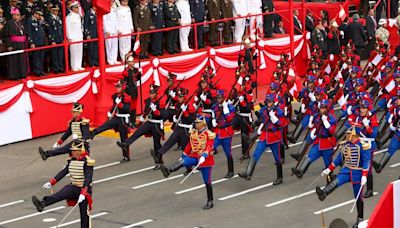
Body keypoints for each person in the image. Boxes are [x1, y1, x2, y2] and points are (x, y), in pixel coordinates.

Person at [316, 126, 371, 228]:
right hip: (347, 170)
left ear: (354, 134)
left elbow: (367, 161)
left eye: (348, 134)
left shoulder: (363, 146)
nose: (346, 135)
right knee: (336, 181)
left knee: (357, 197)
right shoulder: (346, 145)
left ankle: (360, 219)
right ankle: (324, 193)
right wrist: (329, 169)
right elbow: (338, 159)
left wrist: (364, 175)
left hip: (358, 173)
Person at [32, 140, 94, 228]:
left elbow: (88, 178)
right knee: (60, 194)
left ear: (79, 151)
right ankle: (42, 204)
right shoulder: (71, 161)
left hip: (84, 190)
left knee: (84, 215)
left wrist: (83, 193)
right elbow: (64, 172)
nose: (71, 152)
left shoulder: (88, 162)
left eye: (73, 150)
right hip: (73, 187)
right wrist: (51, 182)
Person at [160, 115, 215, 210]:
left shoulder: (209, 134)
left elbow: (209, 146)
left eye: (197, 122)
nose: (195, 124)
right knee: (183, 162)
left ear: (202, 123)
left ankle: (210, 201)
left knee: (207, 181)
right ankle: (169, 170)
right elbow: (189, 145)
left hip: (205, 160)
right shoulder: (194, 132)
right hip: (194, 156)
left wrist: (204, 155)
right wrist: (183, 156)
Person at [238, 93, 285, 185]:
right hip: (265, 135)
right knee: (256, 154)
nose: (268, 104)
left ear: (274, 102)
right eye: (267, 102)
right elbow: (262, 120)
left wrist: (274, 117)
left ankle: (280, 178)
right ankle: (248, 173)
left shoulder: (279, 111)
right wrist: (257, 128)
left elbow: (282, 124)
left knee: (277, 158)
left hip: (274, 137)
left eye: (270, 102)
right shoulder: (264, 110)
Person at [116, 84, 165, 165]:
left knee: (157, 144)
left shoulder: (161, 101)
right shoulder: (149, 101)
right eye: (150, 93)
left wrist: (155, 110)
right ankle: (126, 144)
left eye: (152, 93)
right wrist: (141, 120)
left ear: (156, 93)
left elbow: (162, 115)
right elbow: (146, 111)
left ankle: (159, 162)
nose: (150, 95)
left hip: (157, 124)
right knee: (138, 132)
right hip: (149, 122)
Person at [291, 99, 337, 183]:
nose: (321, 109)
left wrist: (325, 121)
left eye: (323, 108)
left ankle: (330, 180)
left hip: (327, 144)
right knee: (310, 156)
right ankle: (301, 171)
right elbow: (315, 125)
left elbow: (331, 131)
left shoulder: (331, 118)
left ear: (327, 108)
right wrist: (313, 130)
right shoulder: (318, 116)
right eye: (320, 108)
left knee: (328, 165)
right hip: (318, 142)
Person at [152, 88, 196, 169]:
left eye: (181, 97)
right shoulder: (178, 105)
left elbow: (192, 119)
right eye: (178, 97)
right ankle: (159, 154)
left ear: (185, 97)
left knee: (185, 148)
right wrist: (175, 117)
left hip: (186, 130)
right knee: (170, 141)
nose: (179, 98)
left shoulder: (190, 106)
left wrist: (185, 112)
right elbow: (176, 114)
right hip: (179, 127)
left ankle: (189, 168)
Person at [91, 81, 132, 163]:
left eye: (119, 87)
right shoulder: (115, 96)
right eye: (117, 87)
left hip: (123, 119)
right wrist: (110, 112)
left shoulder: (127, 97)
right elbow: (114, 106)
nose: (117, 88)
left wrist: (120, 104)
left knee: (123, 138)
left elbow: (127, 109)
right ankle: (93, 133)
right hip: (117, 117)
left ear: (123, 88)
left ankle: (126, 156)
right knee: (106, 125)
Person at [211, 90, 235, 178]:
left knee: (228, 153)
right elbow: (213, 115)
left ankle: (231, 171)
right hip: (217, 132)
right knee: (210, 148)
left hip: (226, 132)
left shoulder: (230, 107)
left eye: (220, 97)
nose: (218, 99)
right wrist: (213, 120)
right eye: (217, 97)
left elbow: (229, 119)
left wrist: (225, 109)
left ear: (224, 98)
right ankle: (203, 165)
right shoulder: (214, 106)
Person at [4, 7, 27, 80]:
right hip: (13, 44)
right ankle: (14, 76)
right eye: (17, 15)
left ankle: (22, 74)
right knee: (14, 60)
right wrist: (9, 45)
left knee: (21, 59)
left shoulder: (20, 23)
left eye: (19, 15)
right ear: (13, 15)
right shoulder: (9, 23)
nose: (19, 16)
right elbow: (7, 36)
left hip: (21, 43)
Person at [122, 55, 141, 126]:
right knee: (130, 107)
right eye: (131, 62)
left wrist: (140, 73)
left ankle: (133, 121)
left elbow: (137, 79)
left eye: (133, 61)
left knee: (134, 107)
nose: (133, 63)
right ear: (128, 63)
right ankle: (129, 122)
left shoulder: (135, 70)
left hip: (135, 90)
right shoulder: (126, 71)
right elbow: (126, 80)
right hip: (129, 91)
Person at [26, 8, 46, 76]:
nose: (39, 16)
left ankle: (41, 70)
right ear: (34, 14)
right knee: (36, 58)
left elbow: (42, 30)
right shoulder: (29, 20)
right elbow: (29, 32)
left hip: (41, 41)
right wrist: (31, 42)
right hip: (35, 42)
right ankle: (37, 71)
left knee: (41, 57)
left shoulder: (39, 20)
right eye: (38, 14)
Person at [66, 2, 84, 72]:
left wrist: (81, 35)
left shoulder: (78, 16)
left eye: (78, 7)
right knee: (74, 52)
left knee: (79, 51)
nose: (77, 9)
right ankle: (74, 66)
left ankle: (79, 65)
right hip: (73, 37)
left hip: (79, 36)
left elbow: (80, 27)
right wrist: (69, 37)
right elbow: (67, 28)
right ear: (72, 8)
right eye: (76, 7)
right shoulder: (69, 17)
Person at [47, 5, 64, 74]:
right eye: (55, 10)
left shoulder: (59, 18)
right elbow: (49, 30)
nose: (57, 12)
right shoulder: (49, 18)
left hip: (60, 38)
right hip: (54, 38)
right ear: (52, 11)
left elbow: (61, 28)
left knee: (60, 54)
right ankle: (56, 68)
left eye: (57, 10)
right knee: (54, 55)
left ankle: (60, 67)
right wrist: (52, 40)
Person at [103, 0, 119, 65]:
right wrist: (106, 30)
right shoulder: (104, 10)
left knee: (115, 45)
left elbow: (116, 20)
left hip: (114, 30)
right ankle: (110, 60)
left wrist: (117, 29)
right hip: (108, 31)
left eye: (113, 1)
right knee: (109, 46)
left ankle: (114, 59)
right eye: (111, 1)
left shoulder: (114, 9)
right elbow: (104, 21)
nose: (112, 3)